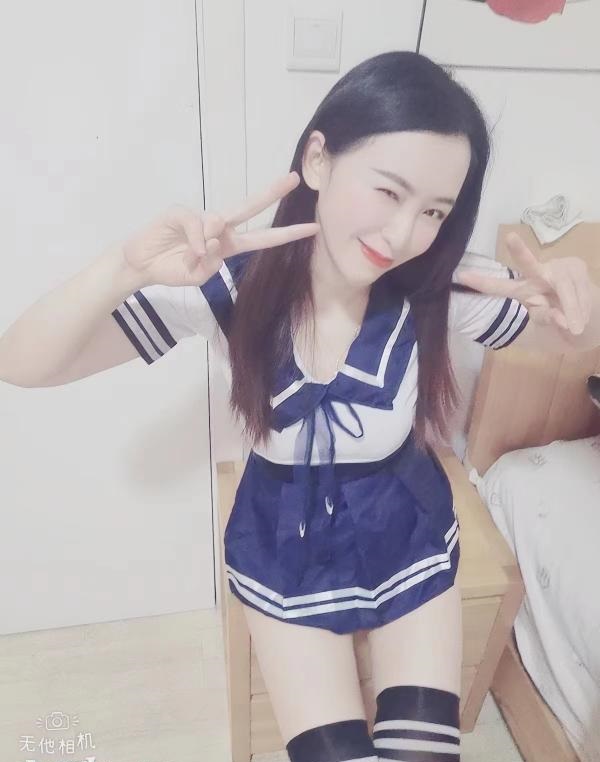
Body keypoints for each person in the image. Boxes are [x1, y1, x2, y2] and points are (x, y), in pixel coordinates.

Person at [1, 50, 594, 762]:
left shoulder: (442, 287)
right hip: (286, 538)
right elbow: (22, 364)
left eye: (434, 211)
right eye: (388, 191)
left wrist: (578, 304)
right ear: (318, 160)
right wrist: (122, 267)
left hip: (403, 522)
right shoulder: (226, 286)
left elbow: (568, 338)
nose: (403, 234)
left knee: (425, 754)